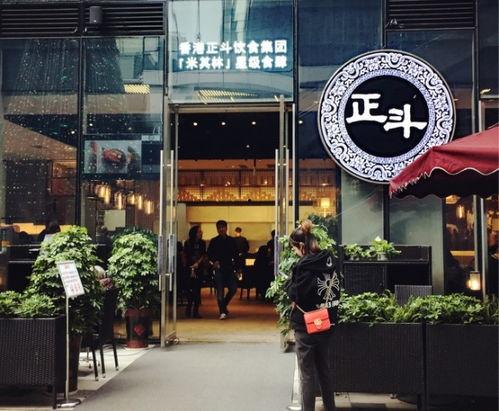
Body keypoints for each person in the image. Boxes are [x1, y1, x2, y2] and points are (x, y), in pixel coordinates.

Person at [286, 220, 340, 411]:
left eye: (294, 248)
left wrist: (290, 286)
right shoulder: (329, 260)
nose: (295, 252)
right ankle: (330, 407)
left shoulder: (304, 266)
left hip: (307, 326)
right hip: (327, 322)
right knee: (324, 369)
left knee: (307, 374)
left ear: (301, 246)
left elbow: (296, 294)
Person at [207, 220, 238, 320]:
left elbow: (236, 254)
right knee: (220, 292)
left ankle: (223, 305)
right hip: (219, 268)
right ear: (217, 229)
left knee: (233, 288)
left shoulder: (231, 240)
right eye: (219, 228)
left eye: (223, 227)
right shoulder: (214, 241)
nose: (221, 229)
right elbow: (209, 254)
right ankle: (222, 311)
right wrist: (213, 262)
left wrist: (237, 268)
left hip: (229, 268)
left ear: (226, 228)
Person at [183, 225, 207, 318]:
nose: (201, 233)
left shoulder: (202, 243)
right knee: (189, 289)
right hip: (189, 268)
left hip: (199, 268)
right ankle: (188, 309)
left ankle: (195, 311)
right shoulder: (187, 243)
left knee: (197, 289)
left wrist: (197, 263)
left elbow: (203, 255)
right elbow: (185, 255)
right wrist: (189, 265)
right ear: (194, 233)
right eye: (199, 232)